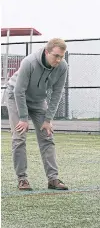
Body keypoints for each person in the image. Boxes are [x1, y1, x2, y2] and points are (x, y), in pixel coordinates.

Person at [5, 38, 69, 191]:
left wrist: (48, 120)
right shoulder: (30, 62)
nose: (59, 60)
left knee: (47, 136)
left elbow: (57, 93)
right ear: (47, 52)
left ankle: (53, 179)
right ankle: (22, 179)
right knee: (19, 137)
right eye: (56, 56)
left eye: (62, 56)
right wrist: (23, 118)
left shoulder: (62, 67)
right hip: (16, 96)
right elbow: (18, 91)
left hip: (38, 100)